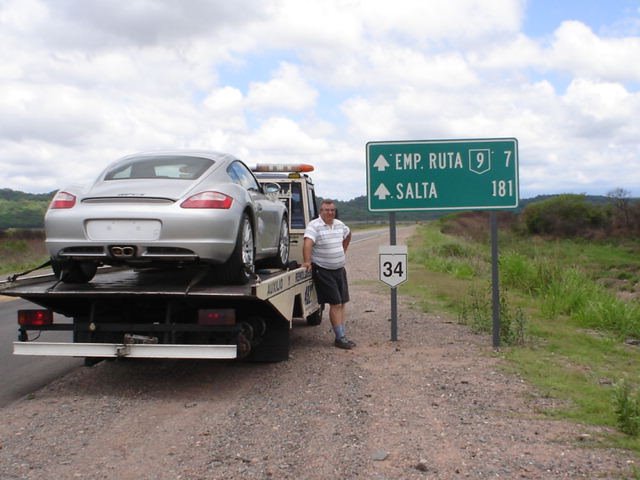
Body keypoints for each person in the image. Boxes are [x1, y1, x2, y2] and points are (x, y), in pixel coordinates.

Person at [302, 199, 355, 350]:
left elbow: (348, 234)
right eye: (326, 210)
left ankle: (342, 333)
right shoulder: (314, 226)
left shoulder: (339, 224)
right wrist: (307, 261)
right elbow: (307, 243)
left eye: (332, 210)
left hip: (339, 269)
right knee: (335, 303)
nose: (329, 212)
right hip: (324, 270)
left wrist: (343, 250)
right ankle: (339, 338)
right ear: (321, 211)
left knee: (343, 302)